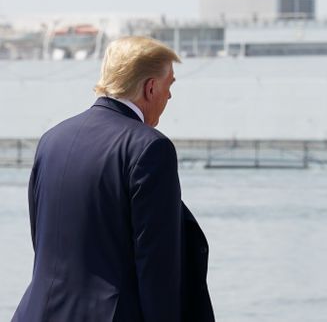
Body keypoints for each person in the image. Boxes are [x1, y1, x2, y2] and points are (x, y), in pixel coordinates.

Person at [13, 36, 214, 321]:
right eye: (169, 85)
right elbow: (156, 266)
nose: (169, 96)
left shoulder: (51, 140)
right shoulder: (150, 147)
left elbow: (43, 241)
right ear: (151, 87)